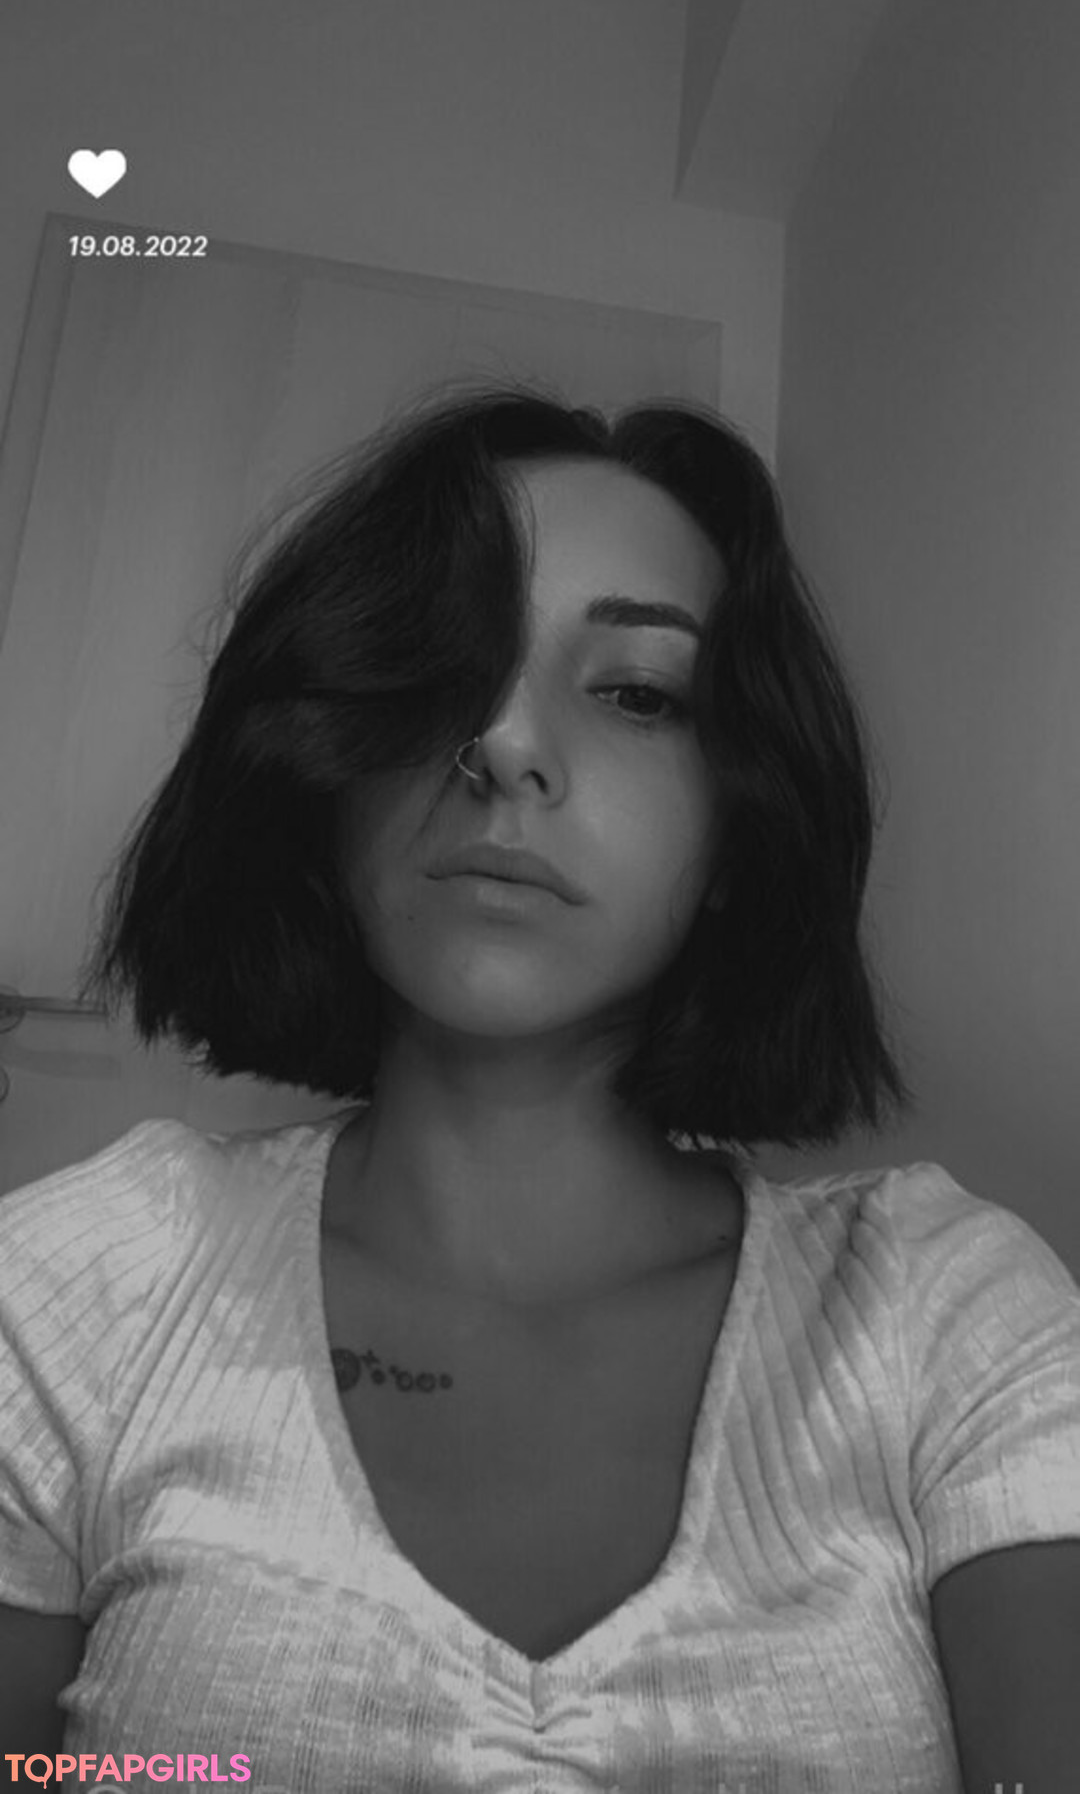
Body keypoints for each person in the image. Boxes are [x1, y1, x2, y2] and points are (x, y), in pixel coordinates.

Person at [0, 386, 1077, 1794]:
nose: (505, 743)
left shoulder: (951, 1314)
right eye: (435, 673)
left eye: (638, 693)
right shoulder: (71, 1288)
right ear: (324, 767)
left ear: (743, 826)